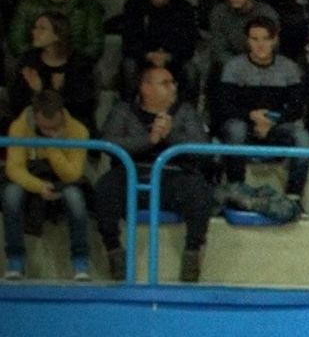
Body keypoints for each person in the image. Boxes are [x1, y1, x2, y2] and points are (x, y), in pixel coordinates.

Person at [96, 65, 212, 281]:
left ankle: (192, 253)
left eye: (173, 82)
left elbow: (202, 148)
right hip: (131, 176)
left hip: (174, 176)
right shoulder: (124, 110)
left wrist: (171, 136)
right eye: (165, 83)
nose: (173, 87)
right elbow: (108, 143)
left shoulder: (184, 111)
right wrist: (149, 140)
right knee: (105, 188)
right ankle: (114, 251)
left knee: (199, 191)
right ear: (146, 87)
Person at [215, 17, 309, 196]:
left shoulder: (289, 68)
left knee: (302, 137)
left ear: (274, 40)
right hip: (244, 125)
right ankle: (237, 192)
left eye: (266, 39)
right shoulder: (234, 67)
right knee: (236, 129)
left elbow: (296, 108)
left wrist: (270, 121)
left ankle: (293, 197)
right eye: (254, 39)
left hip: (277, 126)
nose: (260, 44)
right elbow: (224, 106)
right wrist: (252, 116)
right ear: (247, 40)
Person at [3, 90, 91, 279]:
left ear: (62, 113)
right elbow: (14, 168)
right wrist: (39, 186)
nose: (51, 132)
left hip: (63, 180)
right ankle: (15, 261)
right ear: (35, 117)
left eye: (55, 128)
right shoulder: (19, 127)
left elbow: (73, 173)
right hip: (31, 178)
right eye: (46, 129)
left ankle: (80, 262)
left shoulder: (78, 130)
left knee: (75, 198)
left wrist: (51, 146)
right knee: (11, 194)